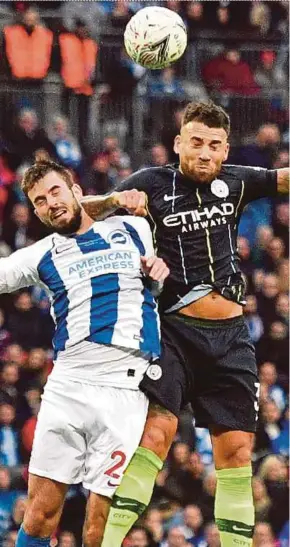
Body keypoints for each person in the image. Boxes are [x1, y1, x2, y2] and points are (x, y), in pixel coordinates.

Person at [81, 101, 289, 547]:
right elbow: (84, 212)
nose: (205, 153)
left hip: (232, 337)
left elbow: (283, 178)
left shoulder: (236, 180)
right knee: (156, 435)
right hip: (174, 333)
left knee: (235, 454)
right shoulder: (151, 183)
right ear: (178, 143)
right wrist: (117, 200)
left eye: (214, 145)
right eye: (196, 142)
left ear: (225, 149)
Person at [0, 159, 169, 547]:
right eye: (39, 201)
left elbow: (150, 285)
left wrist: (156, 275)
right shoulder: (41, 254)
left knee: (100, 526)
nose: (50, 203)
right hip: (70, 386)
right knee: (40, 513)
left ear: (77, 191)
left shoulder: (133, 227)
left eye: (56, 191)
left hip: (126, 388)